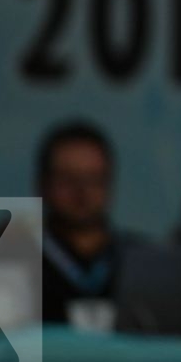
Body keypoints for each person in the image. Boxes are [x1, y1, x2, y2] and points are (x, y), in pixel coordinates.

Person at [33, 120, 141, 325]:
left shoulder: (139, 259)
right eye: (67, 179)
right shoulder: (17, 258)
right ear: (42, 185)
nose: (82, 192)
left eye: (93, 179)